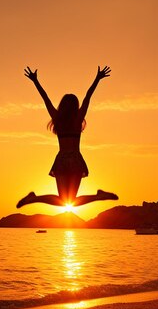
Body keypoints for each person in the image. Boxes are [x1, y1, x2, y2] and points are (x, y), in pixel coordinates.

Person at [17, 66, 118, 208]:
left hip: (62, 160)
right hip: (75, 160)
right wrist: (97, 79)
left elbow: (46, 99)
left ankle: (35, 198)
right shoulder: (77, 120)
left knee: (64, 200)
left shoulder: (58, 119)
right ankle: (98, 196)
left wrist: (35, 81)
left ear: (62, 106)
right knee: (69, 200)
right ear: (75, 106)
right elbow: (87, 97)